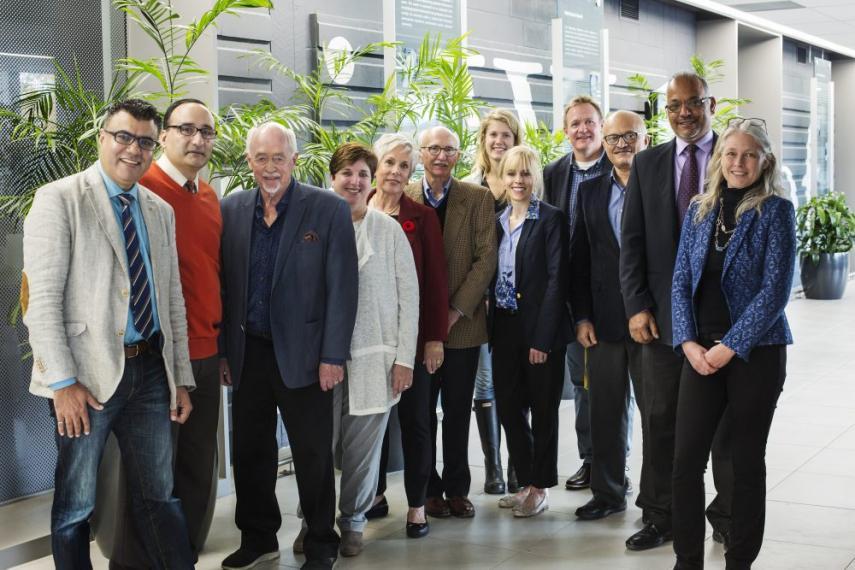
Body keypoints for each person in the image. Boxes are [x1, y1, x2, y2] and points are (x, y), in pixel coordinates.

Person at [22, 98, 195, 569]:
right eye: (123, 137)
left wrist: (179, 378)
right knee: (76, 505)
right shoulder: (59, 199)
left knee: (159, 496)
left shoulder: (159, 210)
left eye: (144, 141)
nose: (132, 150)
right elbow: (41, 303)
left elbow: (171, 300)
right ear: (102, 138)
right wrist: (61, 383)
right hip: (85, 378)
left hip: (151, 371)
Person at [219, 122, 358, 570]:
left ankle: (321, 541)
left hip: (308, 355)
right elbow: (226, 286)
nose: (270, 167)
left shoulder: (328, 209)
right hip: (249, 354)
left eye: (279, 157)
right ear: (249, 162)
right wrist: (224, 352)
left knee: (313, 454)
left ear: (294, 160)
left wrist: (333, 356)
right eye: (261, 158)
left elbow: (343, 288)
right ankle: (258, 538)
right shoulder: (232, 209)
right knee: (250, 453)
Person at [671, 118, 795, 569]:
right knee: (685, 463)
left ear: (764, 161)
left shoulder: (776, 211)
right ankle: (686, 561)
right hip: (698, 352)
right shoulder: (700, 210)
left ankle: (739, 561)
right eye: (730, 153)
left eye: (748, 155)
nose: (738, 163)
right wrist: (687, 342)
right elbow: (681, 279)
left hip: (755, 354)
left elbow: (775, 291)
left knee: (743, 464)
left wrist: (731, 345)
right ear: (719, 158)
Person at [620, 71, 733, 551]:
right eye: (673, 105)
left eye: (693, 103)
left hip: (725, 318)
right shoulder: (647, 163)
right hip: (663, 320)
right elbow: (633, 242)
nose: (684, 112)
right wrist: (637, 305)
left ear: (711, 104)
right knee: (660, 418)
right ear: (663, 111)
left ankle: (726, 515)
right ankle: (661, 514)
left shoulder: (736, 156)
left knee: (725, 423)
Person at [313, 142, 418, 557]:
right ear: (332, 178)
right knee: (318, 446)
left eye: (362, 174)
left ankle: (353, 522)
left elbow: (408, 298)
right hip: (321, 360)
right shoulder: (312, 225)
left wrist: (404, 358)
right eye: (347, 174)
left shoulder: (387, 230)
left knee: (362, 451)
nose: (355, 182)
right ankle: (313, 521)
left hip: (376, 358)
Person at [139, 97, 223, 556]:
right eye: (186, 129)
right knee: (157, 464)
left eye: (206, 132)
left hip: (208, 349)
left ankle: (185, 550)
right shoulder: (143, 191)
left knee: (197, 460)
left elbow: (212, 274)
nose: (197, 139)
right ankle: (156, 552)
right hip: (161, 355)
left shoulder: (209, 197)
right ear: (164, 135)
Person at [405, 125, 497, 519]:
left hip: (463, 325)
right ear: (421, 154)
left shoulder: (477, 198)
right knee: (420, 413)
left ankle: (458, 488)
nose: (441, 156)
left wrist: (454, 311)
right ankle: (427, 490)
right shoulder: (403, 194)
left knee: (458, 410)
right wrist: (429, 320)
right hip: (416, 327)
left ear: (459, 156)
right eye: (433, 149)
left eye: (449, 150)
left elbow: (486, 259)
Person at [366, 133, 449, 537]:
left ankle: (417, 505)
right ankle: (374, 494)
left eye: (403, 165)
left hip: (412, 342)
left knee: (415, 422)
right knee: (370, 421)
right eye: (389, 163)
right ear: (375, 167)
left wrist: (433, 339)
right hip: (365, 342)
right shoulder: (353, 210)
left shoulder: (422, 217)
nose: (396, 172)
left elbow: (434, 284)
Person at [570, 110, 649, 521]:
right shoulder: (589, 192)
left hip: (651, 322)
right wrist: (581, 316)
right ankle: (607, 492)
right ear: (605, 141)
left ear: (645, 139)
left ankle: (656, 500)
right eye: (615, 137)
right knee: (603, 411)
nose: (622, 144)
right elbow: (579, 260)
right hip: (601, 322)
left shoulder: (659, 187)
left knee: (656, 414)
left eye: (630, 136)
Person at [489, 146, 569, 518]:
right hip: (504, 325)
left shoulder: (551, 219)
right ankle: (525, 481)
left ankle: (540, 486)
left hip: (539, 329)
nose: (518, 181)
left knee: (543, 408)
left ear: (534, 176)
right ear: (502, 178)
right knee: (507, 405)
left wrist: (543, 338)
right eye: (511, 174)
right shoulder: (497, 219)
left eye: (524, 174)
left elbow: (557, 281)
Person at [543, 95, 611, 492]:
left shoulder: (621, 168)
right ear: (565, 130)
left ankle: (612, 463)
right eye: (575, 124)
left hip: (609, 297)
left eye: (589, 122)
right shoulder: (553, 173)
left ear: (601, 126)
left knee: (612, 387)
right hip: (567, 298)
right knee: (582, 382)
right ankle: (590, 459)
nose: (582, 130)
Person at [462, 108, 523, 495]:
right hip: (481, 304)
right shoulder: (471, 187)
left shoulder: (524, 180)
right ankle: (494, 468)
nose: (499, 142)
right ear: (483, 141)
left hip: (517, 303)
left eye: (506, 135)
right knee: (485, 383)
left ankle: (520, 464)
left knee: (517, 384)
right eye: (492, 135)